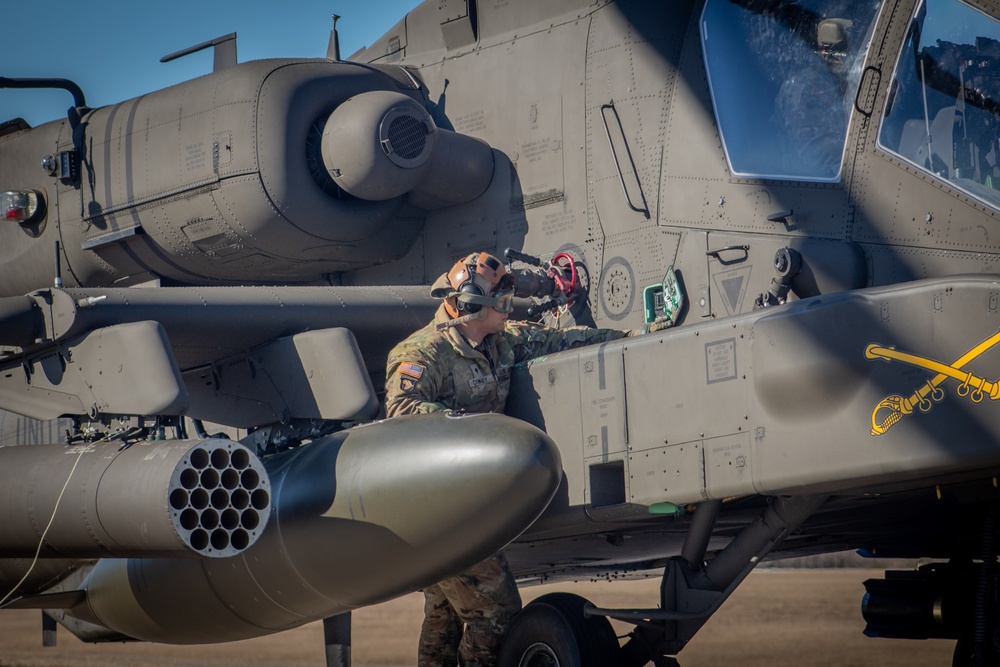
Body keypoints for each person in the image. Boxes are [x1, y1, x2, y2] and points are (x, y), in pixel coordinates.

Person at [384, 251, 665, 667]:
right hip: (438, 508)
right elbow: (401, 413)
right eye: (500, 302)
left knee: (443, 615)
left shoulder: (502, 341)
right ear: (470, 303)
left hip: (468, 501)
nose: (507, 310)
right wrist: (474, 427)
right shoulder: (423, 354)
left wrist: (637, 335)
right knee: (495, 615)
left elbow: (562, 340)